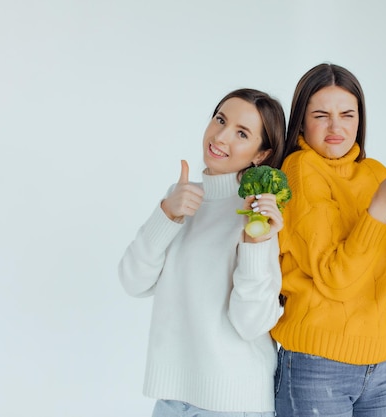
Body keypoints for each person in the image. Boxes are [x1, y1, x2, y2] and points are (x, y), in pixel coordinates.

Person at [271, 63, 386, 417]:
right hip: (316, 364)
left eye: (347, 114)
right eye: (321, 115)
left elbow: (380, 268)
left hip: (382, 360)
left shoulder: (374, 173)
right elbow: (336, 276)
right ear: (301, 121)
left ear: (360, 119)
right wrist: (383, 204)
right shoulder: (299, 171)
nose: (336, 127)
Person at [118, 88, 286, 417]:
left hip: (234, 405)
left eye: (242, 133)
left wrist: (255, 244)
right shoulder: (179, 197)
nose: (221, 136)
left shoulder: (258, 211)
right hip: (171, 400)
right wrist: (166, 214)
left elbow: (251, 324)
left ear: (261, 155)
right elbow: (133, 281)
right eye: (220, 120)